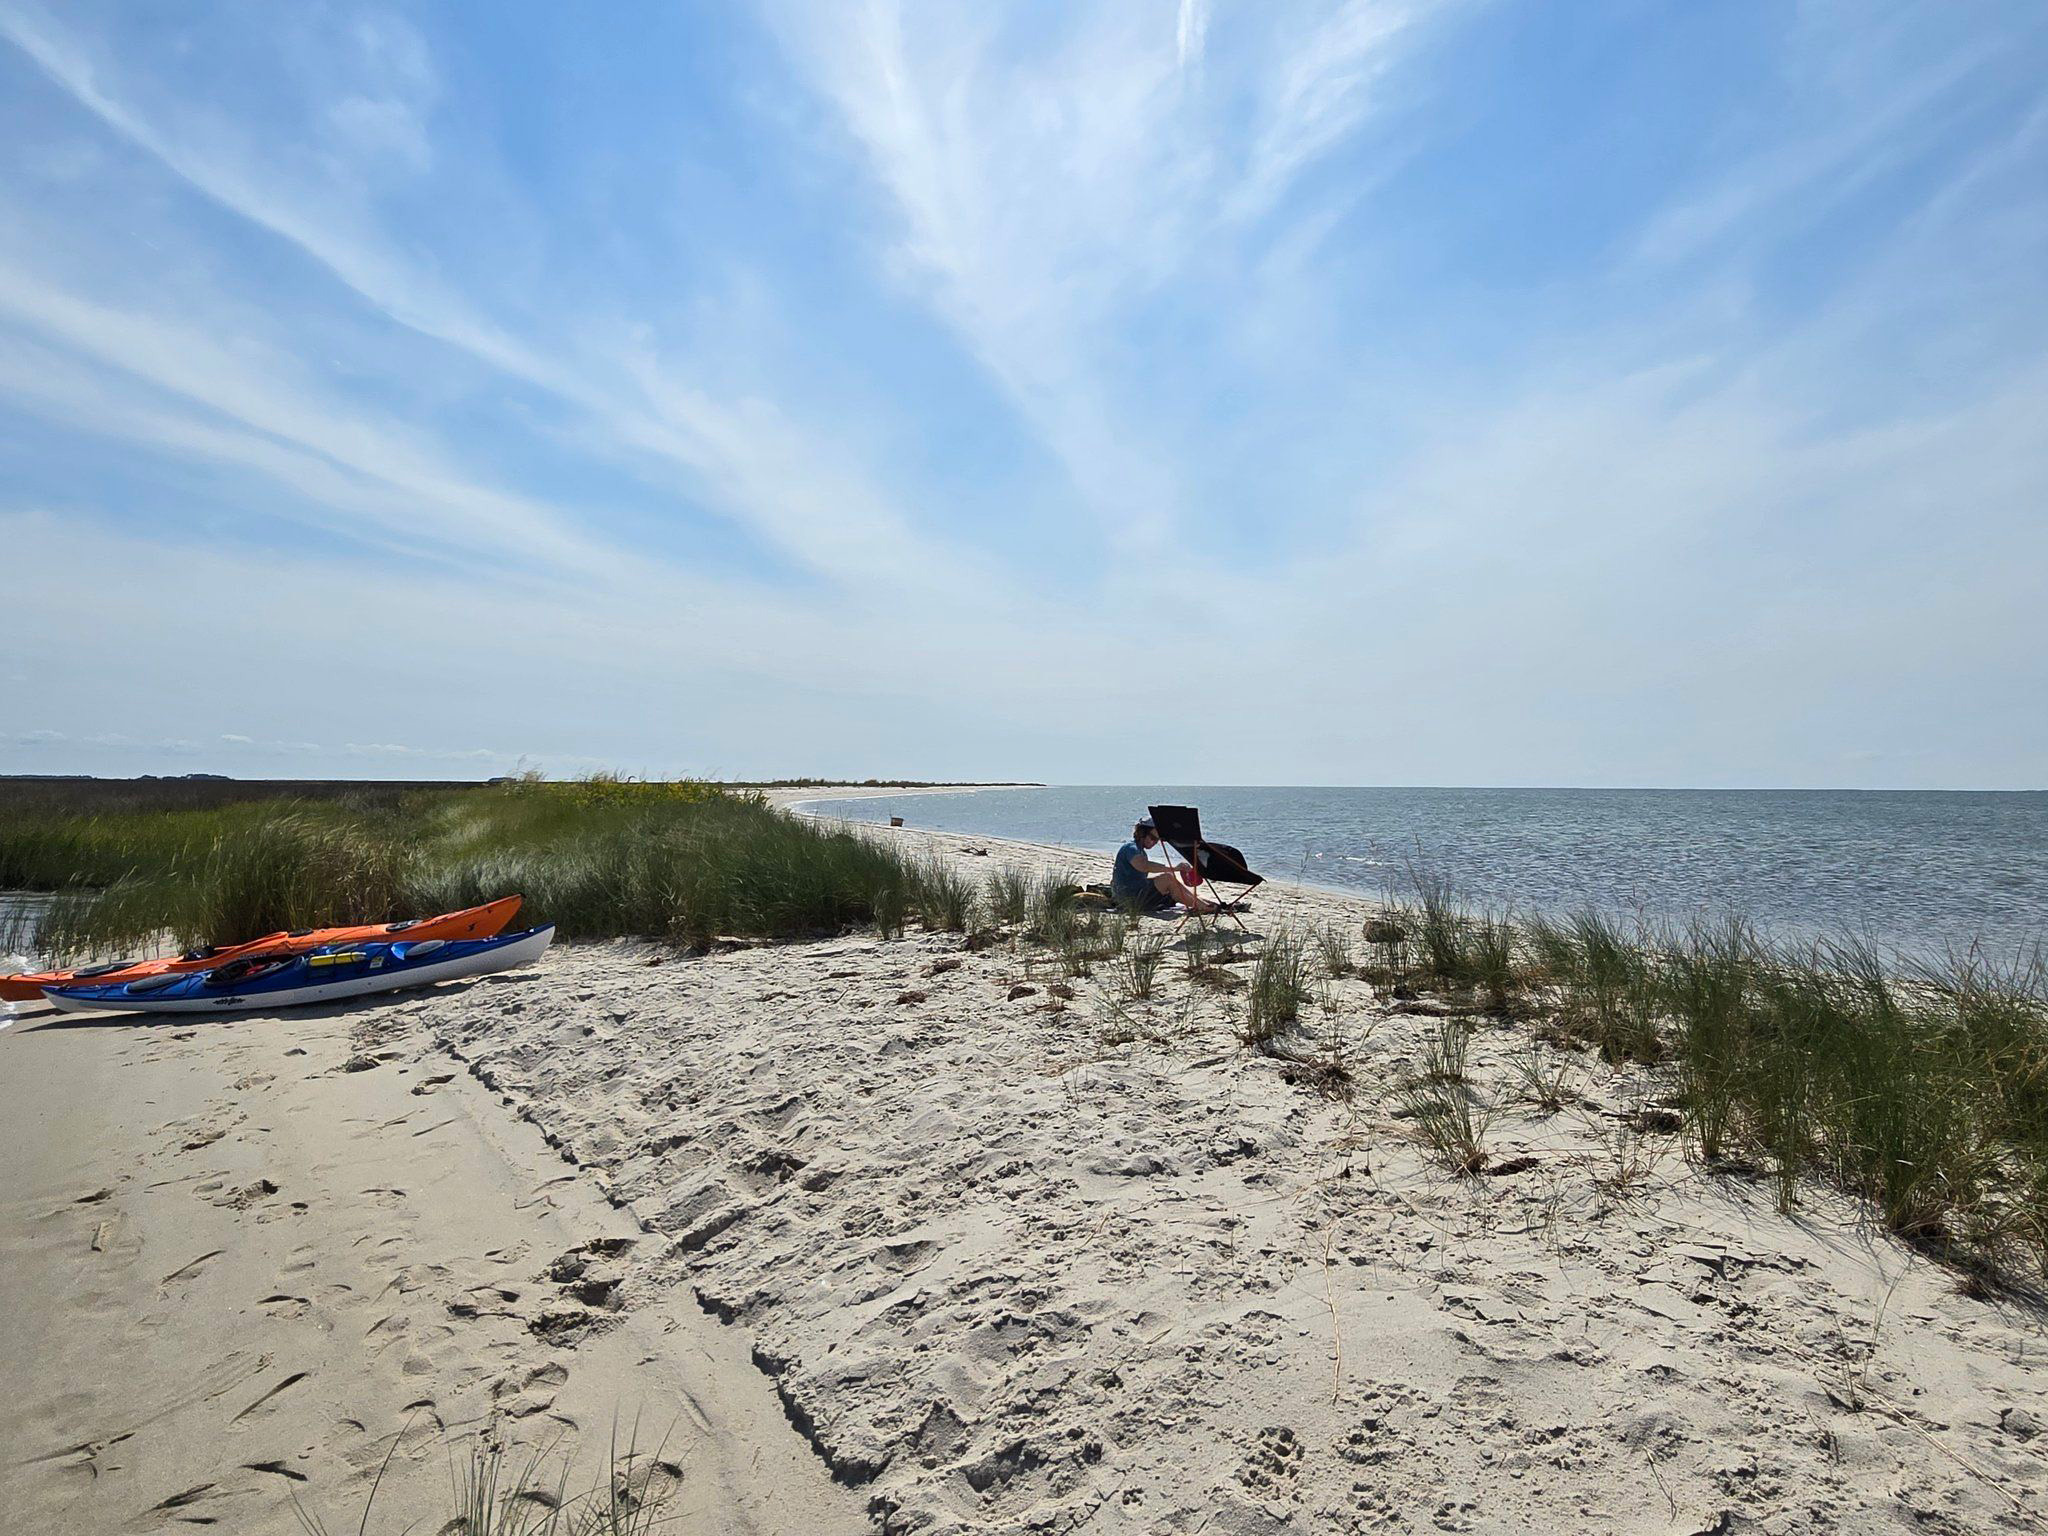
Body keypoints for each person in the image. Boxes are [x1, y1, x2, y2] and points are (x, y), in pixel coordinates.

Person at [1111, 815, 1220, 914]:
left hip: (1134, 894)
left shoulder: (1140, 850)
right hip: (1129, 899)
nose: (1154, 842)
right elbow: (1144, 866)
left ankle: (1210, 904)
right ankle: (1204, 907)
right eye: (1152, 838)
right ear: (1142, 833)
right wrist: (1173, 868)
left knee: (1176, 887)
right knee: (1168, 878)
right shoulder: (1131, 848)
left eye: (1157, 840)